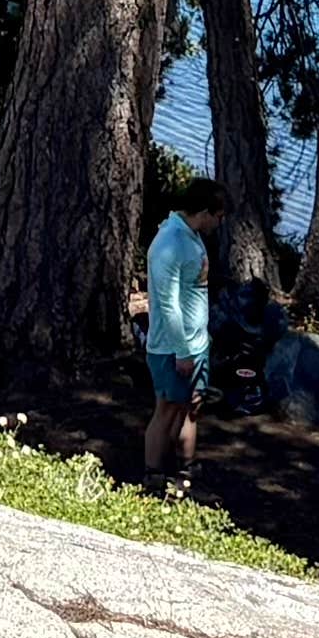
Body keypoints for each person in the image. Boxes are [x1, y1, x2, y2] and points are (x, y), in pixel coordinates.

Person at [141, 191, 212, 488]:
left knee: (191, 407)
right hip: (173, 347)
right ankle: (154, 474)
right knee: (167, 408)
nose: (219, 224)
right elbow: (168, 304)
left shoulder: (192, 236)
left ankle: (187, 470)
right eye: (218, 217)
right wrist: (182, 352)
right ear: (206, 211)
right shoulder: (169, 243)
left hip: (197, 343)